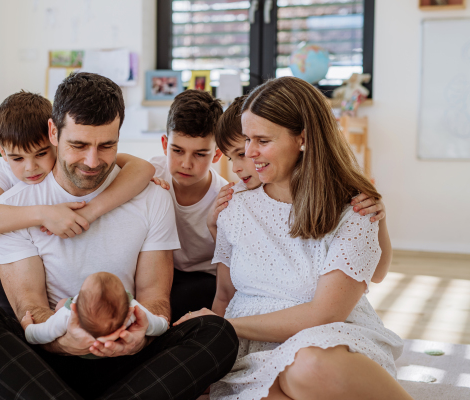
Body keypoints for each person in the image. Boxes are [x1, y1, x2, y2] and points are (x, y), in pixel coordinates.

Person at [0, 72, 238, 400]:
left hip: (128, 355)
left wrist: (139, 336)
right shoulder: (14, 208)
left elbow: (155, 298)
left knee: (217, 333)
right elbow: (32, 309)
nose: (92, 161)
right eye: (79, 145)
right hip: (49, 357)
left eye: (106, 145)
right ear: (53, 132)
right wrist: (64, 340)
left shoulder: (152, 196)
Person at [176, 77, 412, 400]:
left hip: (325, 343)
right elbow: (226, 293)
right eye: (246, 140)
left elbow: (324, 315)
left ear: (302, 138)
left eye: (262, 140)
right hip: (251, 353)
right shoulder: (234, 208)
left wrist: (225, 326)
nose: (249, 153)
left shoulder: (354, 209)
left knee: (308, 366)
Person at [0, 90, 158, 317]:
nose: (30, 168)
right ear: (3, 153)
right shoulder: (3, 170)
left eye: (41, 154)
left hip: (48, 270)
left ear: (55, 140)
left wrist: (89, 212)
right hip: (15, 263)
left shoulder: (75, 157)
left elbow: (143, 168)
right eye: (17, 158)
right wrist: (44, 214)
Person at [209, 94, 392, 283]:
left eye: (242, 152)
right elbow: (236, 272)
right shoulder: (238, 200)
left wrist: (380, 220)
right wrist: (215, 226)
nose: (235, 168)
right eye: (231, 158)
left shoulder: (346, 202)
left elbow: (377, 274)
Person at [149, 89, 227, 322]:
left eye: (200, 154)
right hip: (161, 269)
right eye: (177, 150)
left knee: (185, 298)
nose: (186, 163)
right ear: (165, 144)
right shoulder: (152, 172)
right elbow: (119, 164)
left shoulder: (223, 200)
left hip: (204, 277)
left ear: (217, 154)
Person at [21, 271, 169, 346]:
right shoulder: (133, 310)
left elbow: (41, 334)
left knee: (61, 304)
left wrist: (28, 327)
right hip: (119, 353)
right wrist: (163, 321)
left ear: (76, 306)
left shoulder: (68, 314)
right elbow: (154, 325)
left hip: (76, 357)